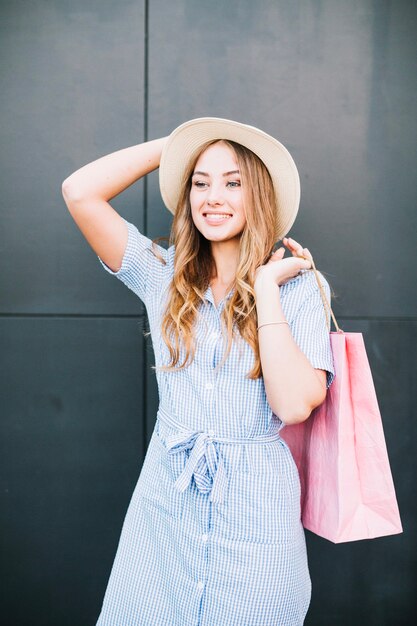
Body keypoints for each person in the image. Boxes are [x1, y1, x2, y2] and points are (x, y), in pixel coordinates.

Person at [62, 117, 335, 626]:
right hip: (164, 512)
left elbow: (295, 404)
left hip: (255, 520)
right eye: (200, 181)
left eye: (233, 182)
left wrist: (268, 289)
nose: (214, 196)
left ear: (260, 196)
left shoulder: (297, 289)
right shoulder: (161, 275)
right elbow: (80, 192)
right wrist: (181, 144)